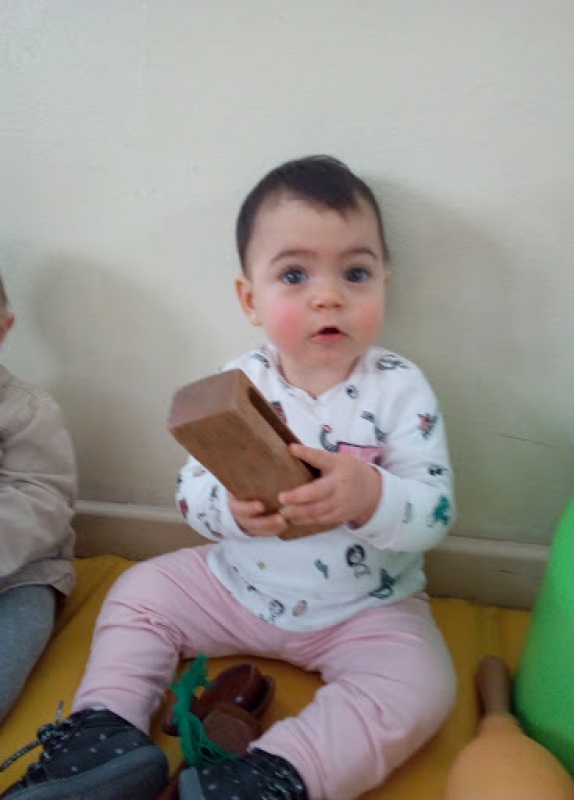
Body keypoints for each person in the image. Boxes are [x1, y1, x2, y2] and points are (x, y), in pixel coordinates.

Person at [0, 156, 457, 800]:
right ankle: (103, 733)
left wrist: (371, 494)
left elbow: (435, 513)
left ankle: (271, 773)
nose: (328, 296)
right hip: (236, 586)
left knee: (423, 683)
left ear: (384, 282)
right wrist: (230, 509)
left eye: (355, 273)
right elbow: (191, 493)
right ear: (250, 299)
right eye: (294, 274)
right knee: (137, 592)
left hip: (366, 609)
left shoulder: (400, 389)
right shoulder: (238, 383)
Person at [0, 275, 78, 724]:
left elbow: (44, 499)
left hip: (20, 577)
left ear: (3, 329)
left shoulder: (26, 411)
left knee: (17, 634)